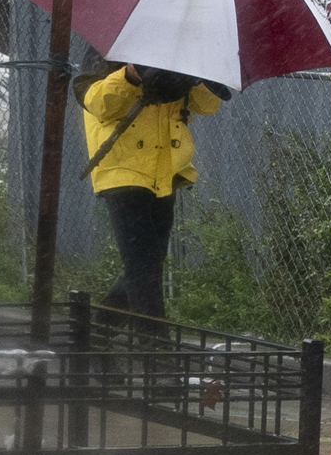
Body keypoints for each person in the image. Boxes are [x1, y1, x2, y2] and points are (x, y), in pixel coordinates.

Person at [79, 59, 230, 322]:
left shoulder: (181, 52)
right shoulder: (115, 49)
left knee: (149, 263)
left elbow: (207, 106)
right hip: (122, 167)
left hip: (163, 171)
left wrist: (196, 76)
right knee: (144, 265)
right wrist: (131, 74)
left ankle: (97, 330)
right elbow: (98, 103)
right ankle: (155, 349)